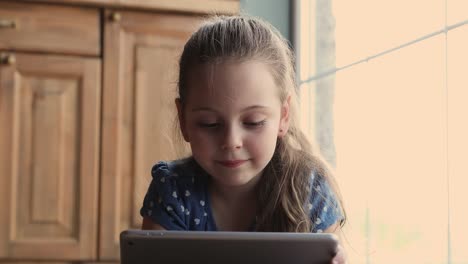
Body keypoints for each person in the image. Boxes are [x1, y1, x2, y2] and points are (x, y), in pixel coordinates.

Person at [140, 15, 347, 263]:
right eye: (210, 124)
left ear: (283, 116)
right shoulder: (173, 191)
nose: (231, 141)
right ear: (183, 120)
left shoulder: (308, 191)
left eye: (253, 122)